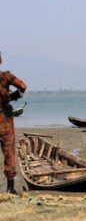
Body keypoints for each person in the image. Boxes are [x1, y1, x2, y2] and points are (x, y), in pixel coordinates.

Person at [0, 51, 27, 194]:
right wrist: (11, 97)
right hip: (4, 119)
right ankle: (10, 188)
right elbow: (23, 86)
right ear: (0, 60)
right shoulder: (6, 76)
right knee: (9, 152)